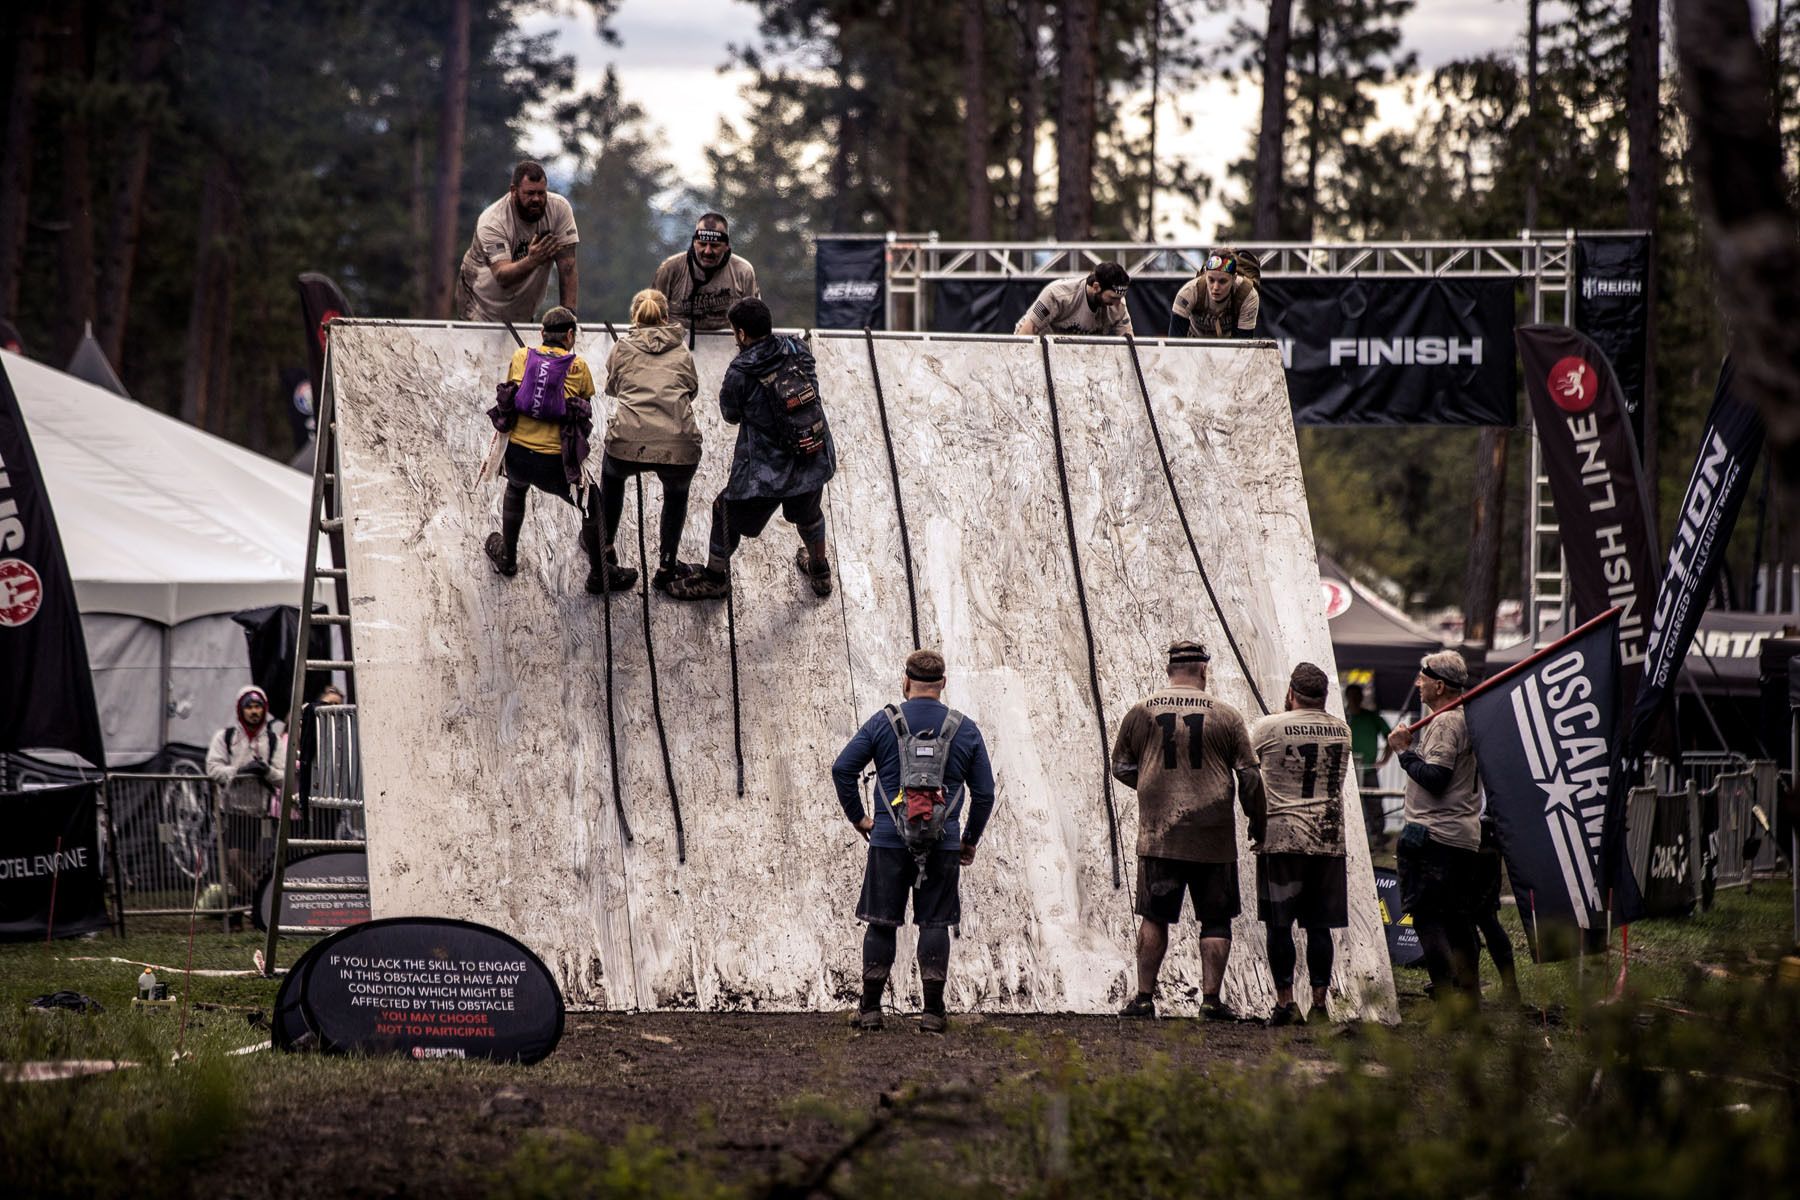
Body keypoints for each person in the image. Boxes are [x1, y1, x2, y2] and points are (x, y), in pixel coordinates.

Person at [831, 649, 996, 1033]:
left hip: (888, 840)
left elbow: (842, 768)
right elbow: (985, 793)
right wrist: (968, 839)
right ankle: (933, 1014)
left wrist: (859, 817)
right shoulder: (965, 728)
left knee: (881, 923)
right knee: (934, 923)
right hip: (942, 843)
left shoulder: (883, 722)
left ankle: (871, 1011)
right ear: (943, 684)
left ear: (905, 682)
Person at [1111, 640, 1266, 1020]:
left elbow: (1121, 767)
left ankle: (1144, 999)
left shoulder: (1141, 711)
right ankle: (1210, 1002)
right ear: (1203, 670)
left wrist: (1153, 787)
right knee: (1215, 920)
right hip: (1213, 836)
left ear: (1169, 670)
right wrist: (1257, 820)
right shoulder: (1226, 716)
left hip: (1159, 835)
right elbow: (1249, 776)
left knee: (1154, 917)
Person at [664, 298, 837, 601]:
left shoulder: (740, 371)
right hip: (811, 454)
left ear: (741, 334)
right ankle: (820, 571)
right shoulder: (796, 348)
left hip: (766, 471)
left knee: (724, 511)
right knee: (809, 514)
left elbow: (730, 414)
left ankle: (715, 578)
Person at [483, 307, 634, 593]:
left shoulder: (521, 356)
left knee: (516, 488)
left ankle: (507, 557)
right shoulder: (578, 366)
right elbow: (585, 400)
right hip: (553, 465)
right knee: (592, 504)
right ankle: (600, 574)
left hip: (516, 456)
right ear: (570, 335)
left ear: (542, 333)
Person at [1251, 663, 1353, 1026]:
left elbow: (1247, 767)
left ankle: (1286, 1003)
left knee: (1279, 925)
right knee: (1319, 927)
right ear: (1324, 696)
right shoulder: (1342, 731)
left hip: (1281, 837)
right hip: (1328, 838)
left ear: (1291, 692)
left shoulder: (1269, 727)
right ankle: (1320, 1006)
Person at [1386, 650, 1483, 1007]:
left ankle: (1447, 1001)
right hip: (1462, 834)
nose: (1418, 684)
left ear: (1439, 686)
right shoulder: (1468, 717)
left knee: (1428, 918)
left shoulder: (1444, 723)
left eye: (1422, 679)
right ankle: (1470, 1002)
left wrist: (1403, 752)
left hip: (1435, 836)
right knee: (1459, 921)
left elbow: (1436, 778)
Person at [600, 289, 705, 594]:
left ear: (634, 317)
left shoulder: (621, 348)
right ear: (666, 317)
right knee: (676, 493)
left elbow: (613, 388)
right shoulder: (682, 352)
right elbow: (692, 391)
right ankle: (667, 566)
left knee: (612, 476)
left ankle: (606, 550)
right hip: (678, 443)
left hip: (628, 441)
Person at [455, 160, 580, 324]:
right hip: (479, 308)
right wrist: (532, 261)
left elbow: (568, 267)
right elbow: (502, 276)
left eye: (541, 193)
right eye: (529, 193)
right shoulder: (493, 221)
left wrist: (568, 317)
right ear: (514, 191)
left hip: (522, 312)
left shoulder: (559, 209)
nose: (536, 199)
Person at [205, 685, 286, 899]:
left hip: (258, 813)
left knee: (245, 865)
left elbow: (283, 777)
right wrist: (238, 772)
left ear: (264, 709)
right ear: (240, 710)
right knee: (232, 863)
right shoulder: (225, 737)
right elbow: (212, 768)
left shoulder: (273, 740)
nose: (254, 711)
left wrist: (266, 771)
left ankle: (243, 908)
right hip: (230, 811)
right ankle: (257, 901)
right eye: (249, 707)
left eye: (258, 706)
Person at [652, 213, 760, 335]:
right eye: (702, 244)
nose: (707, 251)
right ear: (694, 242)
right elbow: (650, 318)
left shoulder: (743, 271)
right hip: (677, 342)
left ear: (726, 246)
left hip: (728, 342)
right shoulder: (671, 268)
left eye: (714, 246)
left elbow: (754, 321)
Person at [1473, 812, 1522, 1005]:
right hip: (1483, 834)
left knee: (1478, 918)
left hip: (1475, 835)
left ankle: (1474, 990)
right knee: (1485, 918)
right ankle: (1507, 988)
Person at [1014, 263, 1134, 336]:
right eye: (1113, 298)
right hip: (1040, 346)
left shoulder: (1119, 304)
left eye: (1120, 298)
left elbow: (1128, 341)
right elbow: (1027, 332)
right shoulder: (1056, 295)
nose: (1117, 303)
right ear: (1096, 287)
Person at [1169, 249, 1260, 338]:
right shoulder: (1189, 292)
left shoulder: (1247, 295)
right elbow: (1175, 342)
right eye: (1211, 280)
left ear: (1234, 278)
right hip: (1194, 341)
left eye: (1222, 281)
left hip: (1230, 343)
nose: (1216, 287)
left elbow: (1243, 343)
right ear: (1205, 274)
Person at [1344, 683, 1393, 850]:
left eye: (1357, 695)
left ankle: (1378, 838)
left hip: (1368, 769)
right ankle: (1350, 838)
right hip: (1347, 771)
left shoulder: (1371, 717)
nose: (1354, 699)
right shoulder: (1343, 717)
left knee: (1374, 804)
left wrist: (1384, 760)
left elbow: (1390, 737)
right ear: (1347, 697)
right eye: (1351, 695)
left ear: (1361, 697)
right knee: (1347, 803)